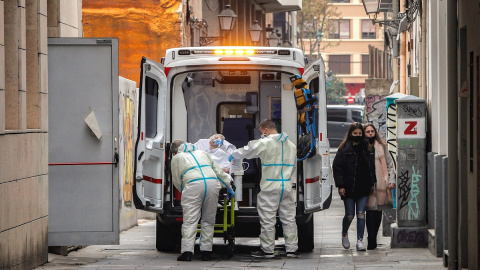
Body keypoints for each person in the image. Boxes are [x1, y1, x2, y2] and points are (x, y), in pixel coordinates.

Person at [228, 119, 299, 258]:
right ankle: (291, 249)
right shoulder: (291, 145)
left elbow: (248, 151)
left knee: (268, 219)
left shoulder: (265, 142)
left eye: (261, 132)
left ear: (265, 129)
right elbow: (294, 167)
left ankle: (268, 250)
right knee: (289, 218)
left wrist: (233, 155)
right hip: (286, 186)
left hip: (270, 186)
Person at [170, 140, 235, 262]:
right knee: (209, 220)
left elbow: (177, 179)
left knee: (190, 220)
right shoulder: (202, 153)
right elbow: (218, 171)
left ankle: (187, 252)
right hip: (212, 184)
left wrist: (184, 190)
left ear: (174, 152)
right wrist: (228, 185)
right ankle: (206, 252)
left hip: (193, 185)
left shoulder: (177, 158)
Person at [332, 122, 376, 251]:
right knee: (350, 215)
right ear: (350, 134)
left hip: (363, 187)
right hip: (349, 187)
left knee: (361, 213)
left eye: (359, 134)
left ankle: (360, 240)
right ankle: (344, 233)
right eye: (355, 133)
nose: (357, 135)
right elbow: (337, 169)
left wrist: (372, 182)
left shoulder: (366, 148)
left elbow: (371, 167)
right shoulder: (344, 150)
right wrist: (340, 185)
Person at [364, 123, 395, 250]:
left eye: (372, 131)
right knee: (370, 212)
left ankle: (373, 236)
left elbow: (389, 164)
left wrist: (391, 180)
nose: (370, 133)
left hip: (380, 183)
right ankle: (370, 239)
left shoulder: (382, 146)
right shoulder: (362, 147)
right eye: (368, 132)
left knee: (378, 212)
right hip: (367, 184)